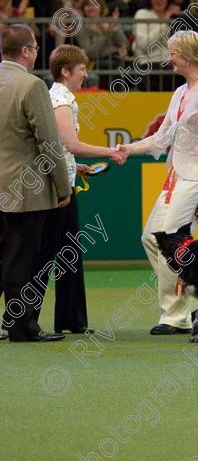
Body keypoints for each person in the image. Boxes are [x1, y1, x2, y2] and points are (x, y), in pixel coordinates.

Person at [118, 30, 198, 335]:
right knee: (150, 238)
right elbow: (163, 136)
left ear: (188, 54)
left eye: (173, 53)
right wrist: (130, 148)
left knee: (170, 239)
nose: (169, 58)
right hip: (177, 176)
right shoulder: (180, 93)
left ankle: (175, 316)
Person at [35, 44, 126, 334]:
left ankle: (69, 321)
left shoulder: (56, 97)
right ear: (65, 71)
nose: (86, 74)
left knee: (65, 252)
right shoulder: (61, 100)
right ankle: (25, 319)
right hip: (58, 189)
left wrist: (78, 168)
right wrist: (110, 151)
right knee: (53, 254)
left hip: (63, 182)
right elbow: (70, 144)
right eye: (82, 69)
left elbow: (61, 149)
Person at [0, 24, 71, 342]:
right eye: (36, 48)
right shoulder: (32, 86)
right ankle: (21, 325)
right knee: (21, 260)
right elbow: (50, 142)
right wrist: (63, 184)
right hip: (25, 189)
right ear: (26, 51)